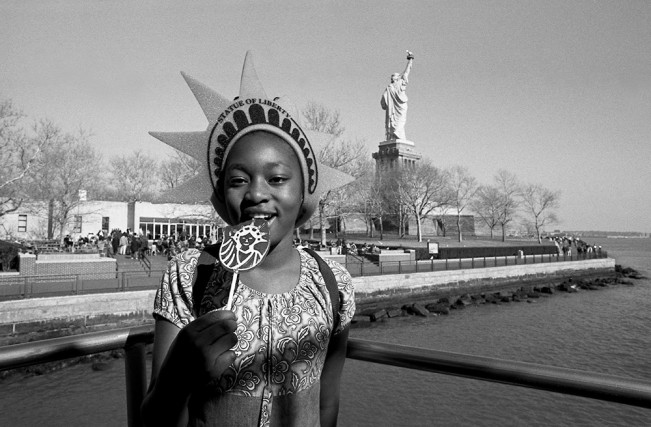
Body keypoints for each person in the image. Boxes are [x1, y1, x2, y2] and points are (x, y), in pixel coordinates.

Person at [142, 51, 356, 427]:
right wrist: (178, 373)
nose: (256, 193)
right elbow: (153, 419)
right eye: (239, 180)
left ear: (304, 191)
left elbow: (328, 403)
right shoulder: (189, 275)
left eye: (277, 178)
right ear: (221, 194)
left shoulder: (332, 283)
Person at [381, 51, 414, 141]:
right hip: (399, 106)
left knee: (397, 120)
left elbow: (383, 103)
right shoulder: (394, 85)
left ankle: (397, 133)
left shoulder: (392, 86)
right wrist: (410, 59)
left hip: (396, 107)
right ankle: (397, 132)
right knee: (400, 119)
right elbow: (407, 71)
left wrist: (410, 60)